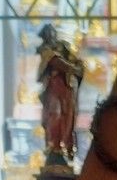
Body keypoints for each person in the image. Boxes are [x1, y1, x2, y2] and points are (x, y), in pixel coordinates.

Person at [36, 23, 84, 165]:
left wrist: (77, 68)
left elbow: (77, 62)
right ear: (45, 37)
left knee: (67, 116)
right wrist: (73, 69)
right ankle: (54, 146)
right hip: (54, 87)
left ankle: (63, 146)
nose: (51, 36)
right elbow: (56, 61)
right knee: (55, 115)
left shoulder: (63, 47)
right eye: (48, 34)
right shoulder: (46, 51)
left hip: (66, 89)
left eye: (53, 33)